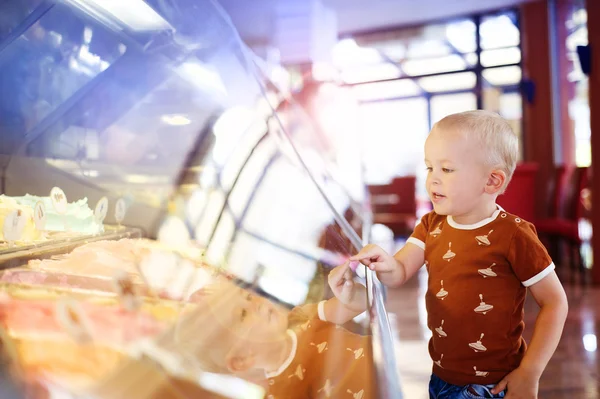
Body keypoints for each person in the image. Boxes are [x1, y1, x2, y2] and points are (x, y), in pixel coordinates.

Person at [350, 110, 568, 399]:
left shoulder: (514, 234)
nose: (433, 180)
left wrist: (530, 372)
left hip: (491, 386)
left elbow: (555, 302)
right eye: (430, 168)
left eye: (447, 169)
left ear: (491, 181)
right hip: (441, 376)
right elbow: (399, 270)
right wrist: (383, 261)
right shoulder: (431, 225)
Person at [156, 263, 376, 399]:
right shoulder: (283, 393)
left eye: (249, 296)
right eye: (243, 314)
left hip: (394, 368)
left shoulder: (301, 317)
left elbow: (356, 304)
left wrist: (349, 293)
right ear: (242, 360)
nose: (258, 303)